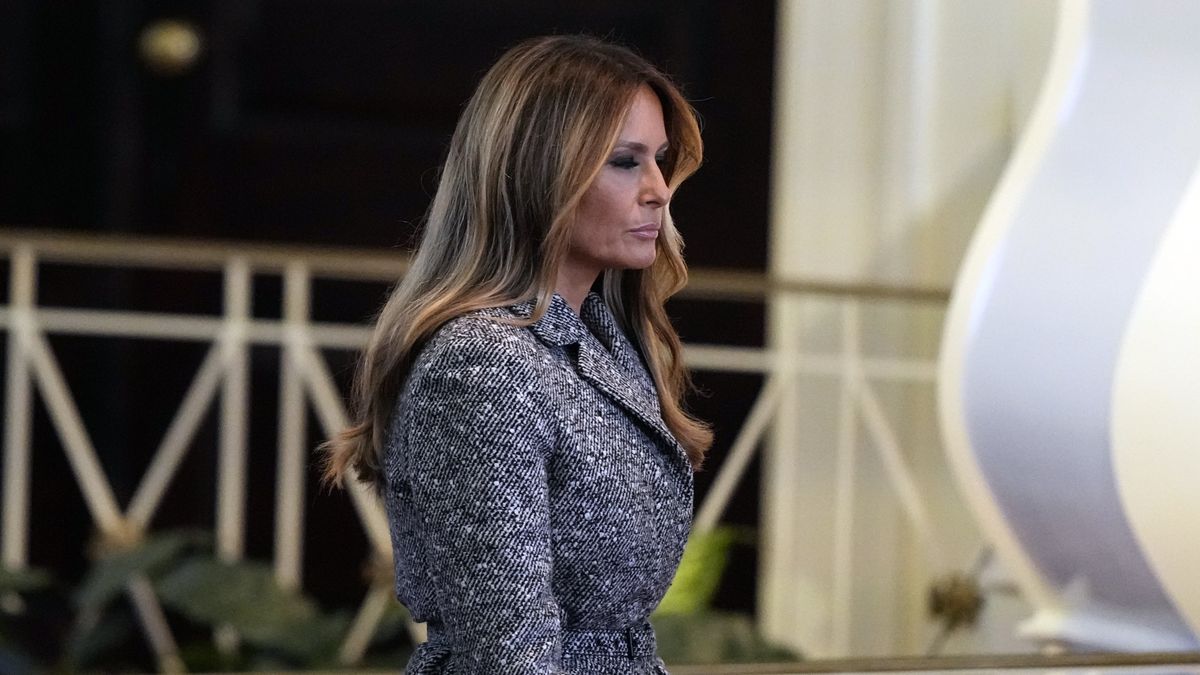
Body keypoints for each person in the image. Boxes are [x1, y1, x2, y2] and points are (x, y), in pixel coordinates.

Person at [322, 34, 712, 674]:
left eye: (660, 160)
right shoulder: (482, 364)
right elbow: (510, 654)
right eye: (624, 161)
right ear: (539, 173)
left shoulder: (601, 340)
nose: (658, 190)